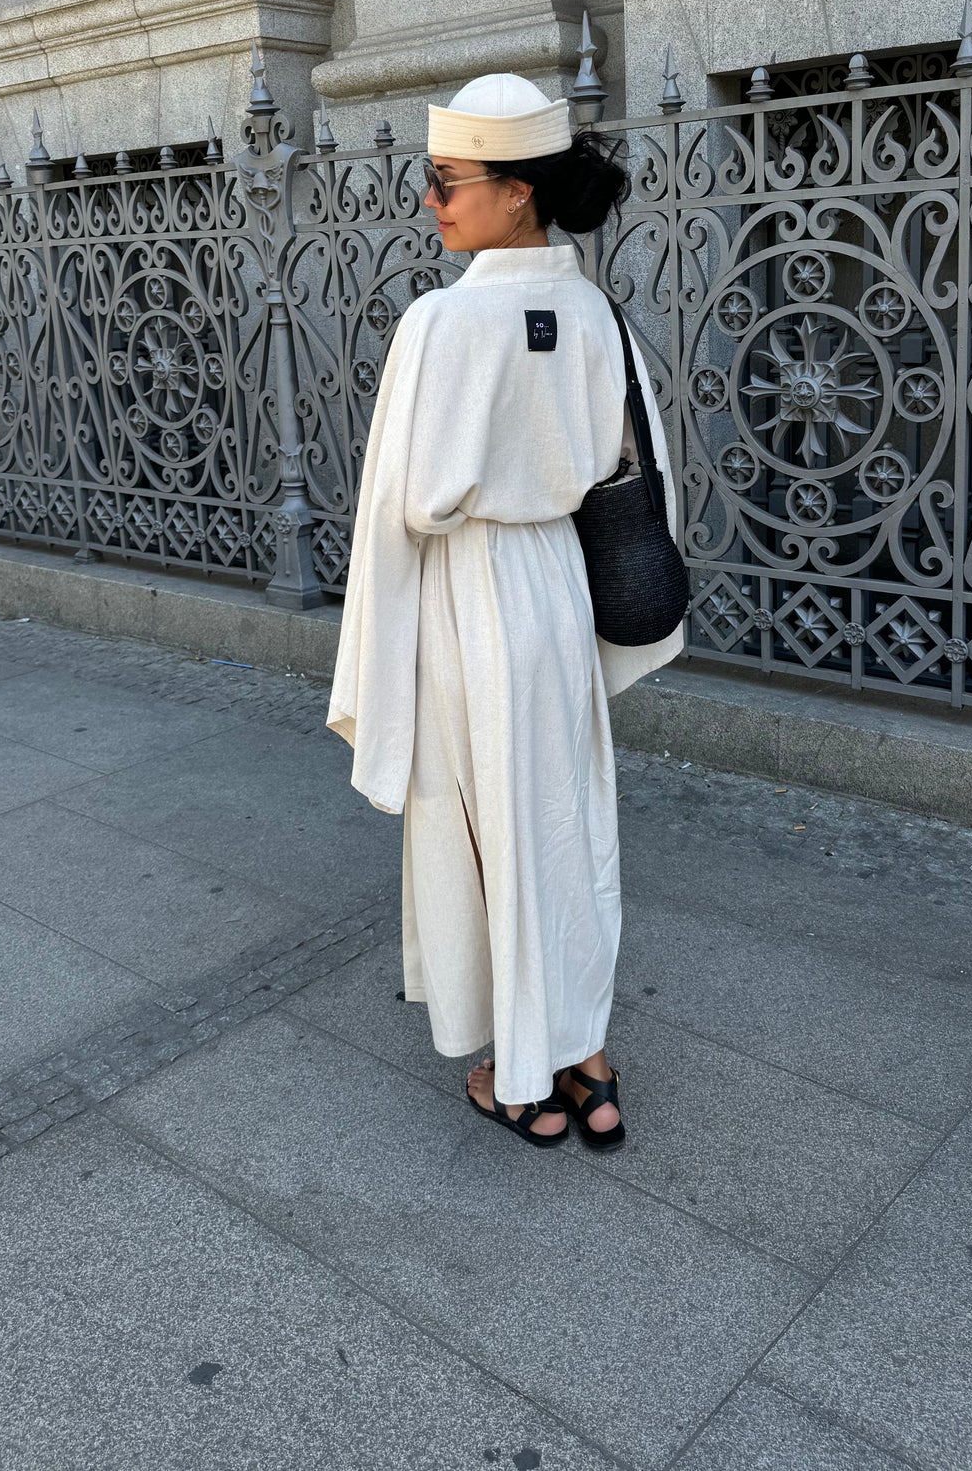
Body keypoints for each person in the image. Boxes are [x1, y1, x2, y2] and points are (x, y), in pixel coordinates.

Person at [326, 73, 684, 1148]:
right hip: (557, 594)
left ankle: (520, 1074)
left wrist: (371, 670)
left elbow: (395, 512)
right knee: (564, 823)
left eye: (445, 180)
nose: (429, 199)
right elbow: (644, 463)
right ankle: (586, 1057)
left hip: (465, 596)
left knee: (482, 829)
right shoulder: (592, 313)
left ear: (518, 192)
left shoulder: (441, 322)